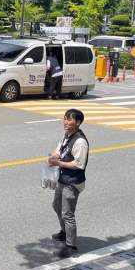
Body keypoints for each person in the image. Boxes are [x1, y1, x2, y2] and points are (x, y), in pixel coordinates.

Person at [47, 109, 89, 258]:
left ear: (77, 122)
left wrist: (58, 162)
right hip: (63, 179)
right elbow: (60, 150)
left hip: (72, 182)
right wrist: (54, 156)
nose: (65, 122)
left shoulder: (80, 142)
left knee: (67, 213)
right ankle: (64, 232)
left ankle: (71, 246)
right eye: (64, 119)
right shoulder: (67, 136)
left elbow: (79, 164)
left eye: (69, 120)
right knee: (56, 206)